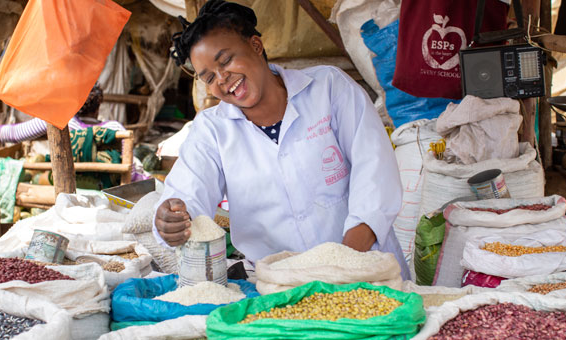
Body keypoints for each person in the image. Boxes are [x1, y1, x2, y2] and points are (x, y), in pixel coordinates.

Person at [153, 0, 410, 279]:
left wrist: (345, 262)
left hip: (368, 269)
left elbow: (374, 173)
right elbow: (188, 194)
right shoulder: (212, 130)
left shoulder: (329, 88)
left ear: (255, 45)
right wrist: (172, 219)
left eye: (226, 60)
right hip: (281, 286)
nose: (223, 79)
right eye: (208, 77)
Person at [0, 84, 126, 143]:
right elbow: (130, 168)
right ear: (98, 107)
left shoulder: (60, 121)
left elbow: (16, 133)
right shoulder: (114, 128)